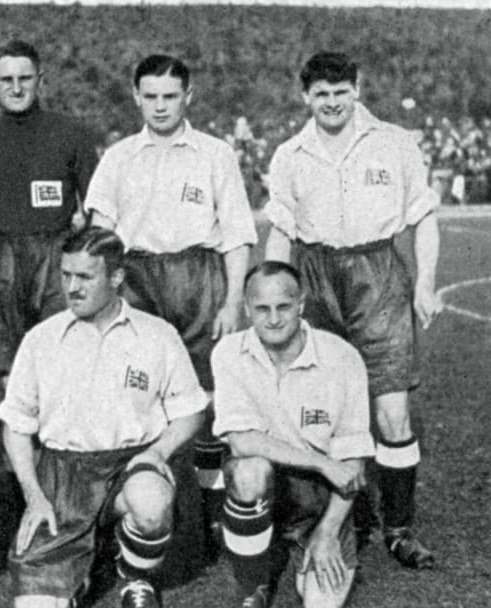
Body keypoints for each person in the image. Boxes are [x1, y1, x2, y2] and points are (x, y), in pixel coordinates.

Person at [263, 51, 443, 568]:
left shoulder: (393, 143)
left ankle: (400, 528)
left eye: (341, 92)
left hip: (379, 276)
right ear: (306, 97)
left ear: (357, 89)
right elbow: (281, 231)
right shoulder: (290, 154)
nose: (332, 102)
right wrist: (274, 295)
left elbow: (423, 217)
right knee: (312, 407)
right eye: (321, 94)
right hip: (316, 278)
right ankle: (314, 520)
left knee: (392, 411)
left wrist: (424, 283)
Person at [84, 54, 258, 558]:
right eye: (151, 96)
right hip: (137, 279)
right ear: (136, 97)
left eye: (170, 96)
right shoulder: (118, 157)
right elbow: (101, 231)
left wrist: (231, 299)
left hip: (198, 278)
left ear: (189, 96)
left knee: (204, 398)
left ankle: (207, 514)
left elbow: (238, 234)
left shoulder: (214, 154)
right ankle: (125, 513)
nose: (160, 107)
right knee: (130, 393)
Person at [0, 227, 208, 608]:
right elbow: (15, 427)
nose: (72, 288)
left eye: (85, 277)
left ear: (116, 278)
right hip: (66, 474)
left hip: (132, 463)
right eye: (65, 275)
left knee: (151, 502)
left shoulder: (157, 335)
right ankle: (86, 565)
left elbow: (191, 412)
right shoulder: (41, 339)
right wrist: (33, 495)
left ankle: (135, 577)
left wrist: (158, 452)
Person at [212, 262, 374, 608]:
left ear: (300, 304)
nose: (273, 319)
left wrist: (328, 533)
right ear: (246, 309)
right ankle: (253, 585)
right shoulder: (228, 353)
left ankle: (315, 538)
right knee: (249, 471)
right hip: (270, 482)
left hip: (322, 496)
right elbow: (242, 441)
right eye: (262, 309)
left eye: (283, 307)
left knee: (321, 603)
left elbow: (351, 465)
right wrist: (320, 462)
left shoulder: (342, 357)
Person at [0, 39, 97, 381]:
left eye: (25, 78)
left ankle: (58, 436)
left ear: (40, 80)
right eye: (6, 80)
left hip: (56, 262)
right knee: (10, 371)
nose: (16, 89)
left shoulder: (71, 135)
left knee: (61, 362)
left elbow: (97, 207)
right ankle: (14, 436)